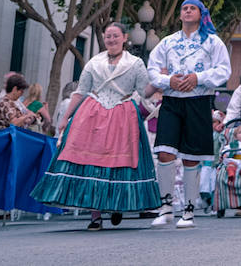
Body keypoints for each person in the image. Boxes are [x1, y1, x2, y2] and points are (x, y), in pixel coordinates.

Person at [33, 22, 160, 230]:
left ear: (124, 37)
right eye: (108, 36)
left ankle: (117, 204)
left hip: (122, 113)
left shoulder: (135, 63)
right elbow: (80, 91)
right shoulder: (94, 62)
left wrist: (159, 81)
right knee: (91, 163)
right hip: (93, 113)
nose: (111, 40)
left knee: (121, 163)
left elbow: (143, 91)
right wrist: (66, 118)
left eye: (115, 36)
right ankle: (95, 216)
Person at [146, 0, 230, 229]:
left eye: (192, 8)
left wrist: (198, 78)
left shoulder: (213, 42)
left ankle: (189, 211)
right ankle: (165, 207)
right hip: (172, 101)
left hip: (198, 101)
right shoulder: (167, 42)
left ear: (201, 13)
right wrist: (168, 80)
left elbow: (224, 70)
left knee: (191, 157)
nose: (188, 11)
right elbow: (152, 69)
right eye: (184, 8)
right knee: (164, 152)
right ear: (180, 14)